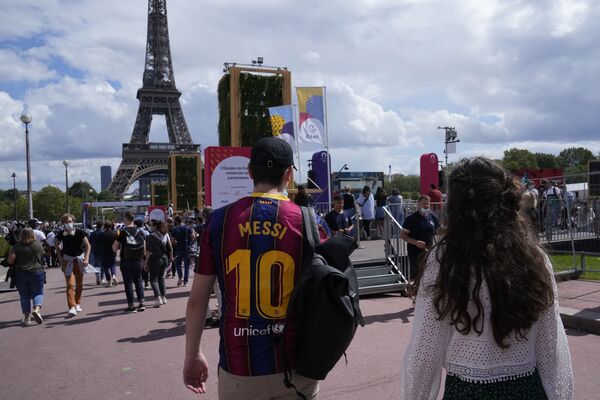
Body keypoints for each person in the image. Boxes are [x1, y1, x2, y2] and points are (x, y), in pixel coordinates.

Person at [401, 157, 573, 399]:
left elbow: (425, 352)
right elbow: (551, 345)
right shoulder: (534, 258)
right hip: (526, 389)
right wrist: (559, 395)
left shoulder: (443, 261)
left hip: (468, 391)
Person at [184, 137, 319, 399]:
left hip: (239, 364)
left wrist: (193, 354)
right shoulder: (307, 221)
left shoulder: (218, 222)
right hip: (293, 362)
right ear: (288, 174)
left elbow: (197, 299)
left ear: (249, 172)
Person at [7, 228, 46, 326]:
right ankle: (37, 310)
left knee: (24, 296)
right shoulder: (38, 244)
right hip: (37, 272)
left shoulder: (16, 246)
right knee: (38, 293)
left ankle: (27, 318)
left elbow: (10, 261)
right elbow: (42, 255)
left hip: (21, 273)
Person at [55, 213, 91, 317]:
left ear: (73, 222)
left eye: (70, 221)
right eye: (66, 222)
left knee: (79, 284)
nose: (68, 224)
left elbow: (88, 245)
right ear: (63, 224)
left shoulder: (80, 232)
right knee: (70, 285)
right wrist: (60, 258)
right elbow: (56, 245)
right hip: (67, 261)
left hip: (79, 260)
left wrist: (87, 258)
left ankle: (77, 303)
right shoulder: (61, 234)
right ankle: (71, 307)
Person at [113, 212, 146, 313]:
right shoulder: (140, 231)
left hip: (126, 261)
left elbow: (114, 248)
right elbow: (144, 247)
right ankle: (142, 303)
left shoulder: (123, 232)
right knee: (139, 281)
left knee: (128, 283)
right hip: (138, 260)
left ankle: (131, 306)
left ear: (126, 219)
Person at [401, 195, 439, 279]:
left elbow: (438, 229)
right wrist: (415, 242)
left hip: (429, 251)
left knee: (429, 274)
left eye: (428, 204)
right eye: (424, 203)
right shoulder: (411, 219)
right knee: (418, 275)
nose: (426, 206)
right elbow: (403, 235)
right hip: (415, 252)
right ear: (418, 204)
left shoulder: (432, 217)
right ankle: (416, 290)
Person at [145, 219, 173, 307]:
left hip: (154, 258)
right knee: (161, 278)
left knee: (153, 279)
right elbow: (170, 248)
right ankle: (164, 297)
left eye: (151, 225)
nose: (150, 226)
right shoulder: (166, 235)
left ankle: (158, 298)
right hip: (164, 258)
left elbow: (148, 251)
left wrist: (146, 262)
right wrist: (171, 258)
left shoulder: (150, 236)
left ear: (155, 226)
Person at [171, 215, 195, 287]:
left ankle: (180, 277)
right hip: (187, 248)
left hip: (179, 248)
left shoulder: (174, 229)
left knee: (178, 264)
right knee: (187, 265)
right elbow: (193, 236)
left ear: (176, 221)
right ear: (182, 221)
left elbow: (172, 240)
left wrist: (177, 243)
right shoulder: (188, 228)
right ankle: (186, 281)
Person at [101, 220, 118, 287]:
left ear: (104, 226)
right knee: (112, 264)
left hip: (104, 252)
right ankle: (113, 275)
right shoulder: (114, 233)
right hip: (112, 251)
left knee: (106, 267)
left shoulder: (102, 234)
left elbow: (100, 244)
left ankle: (109, 281)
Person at [89, 221, 105, 285]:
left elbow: (89, 242)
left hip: (95, 250)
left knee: (96, 264)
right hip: (102, 250)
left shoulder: (92, 233)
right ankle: (102, 278)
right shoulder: (103, 233)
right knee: (102, 265)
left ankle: (97, 276)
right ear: (102, 226)